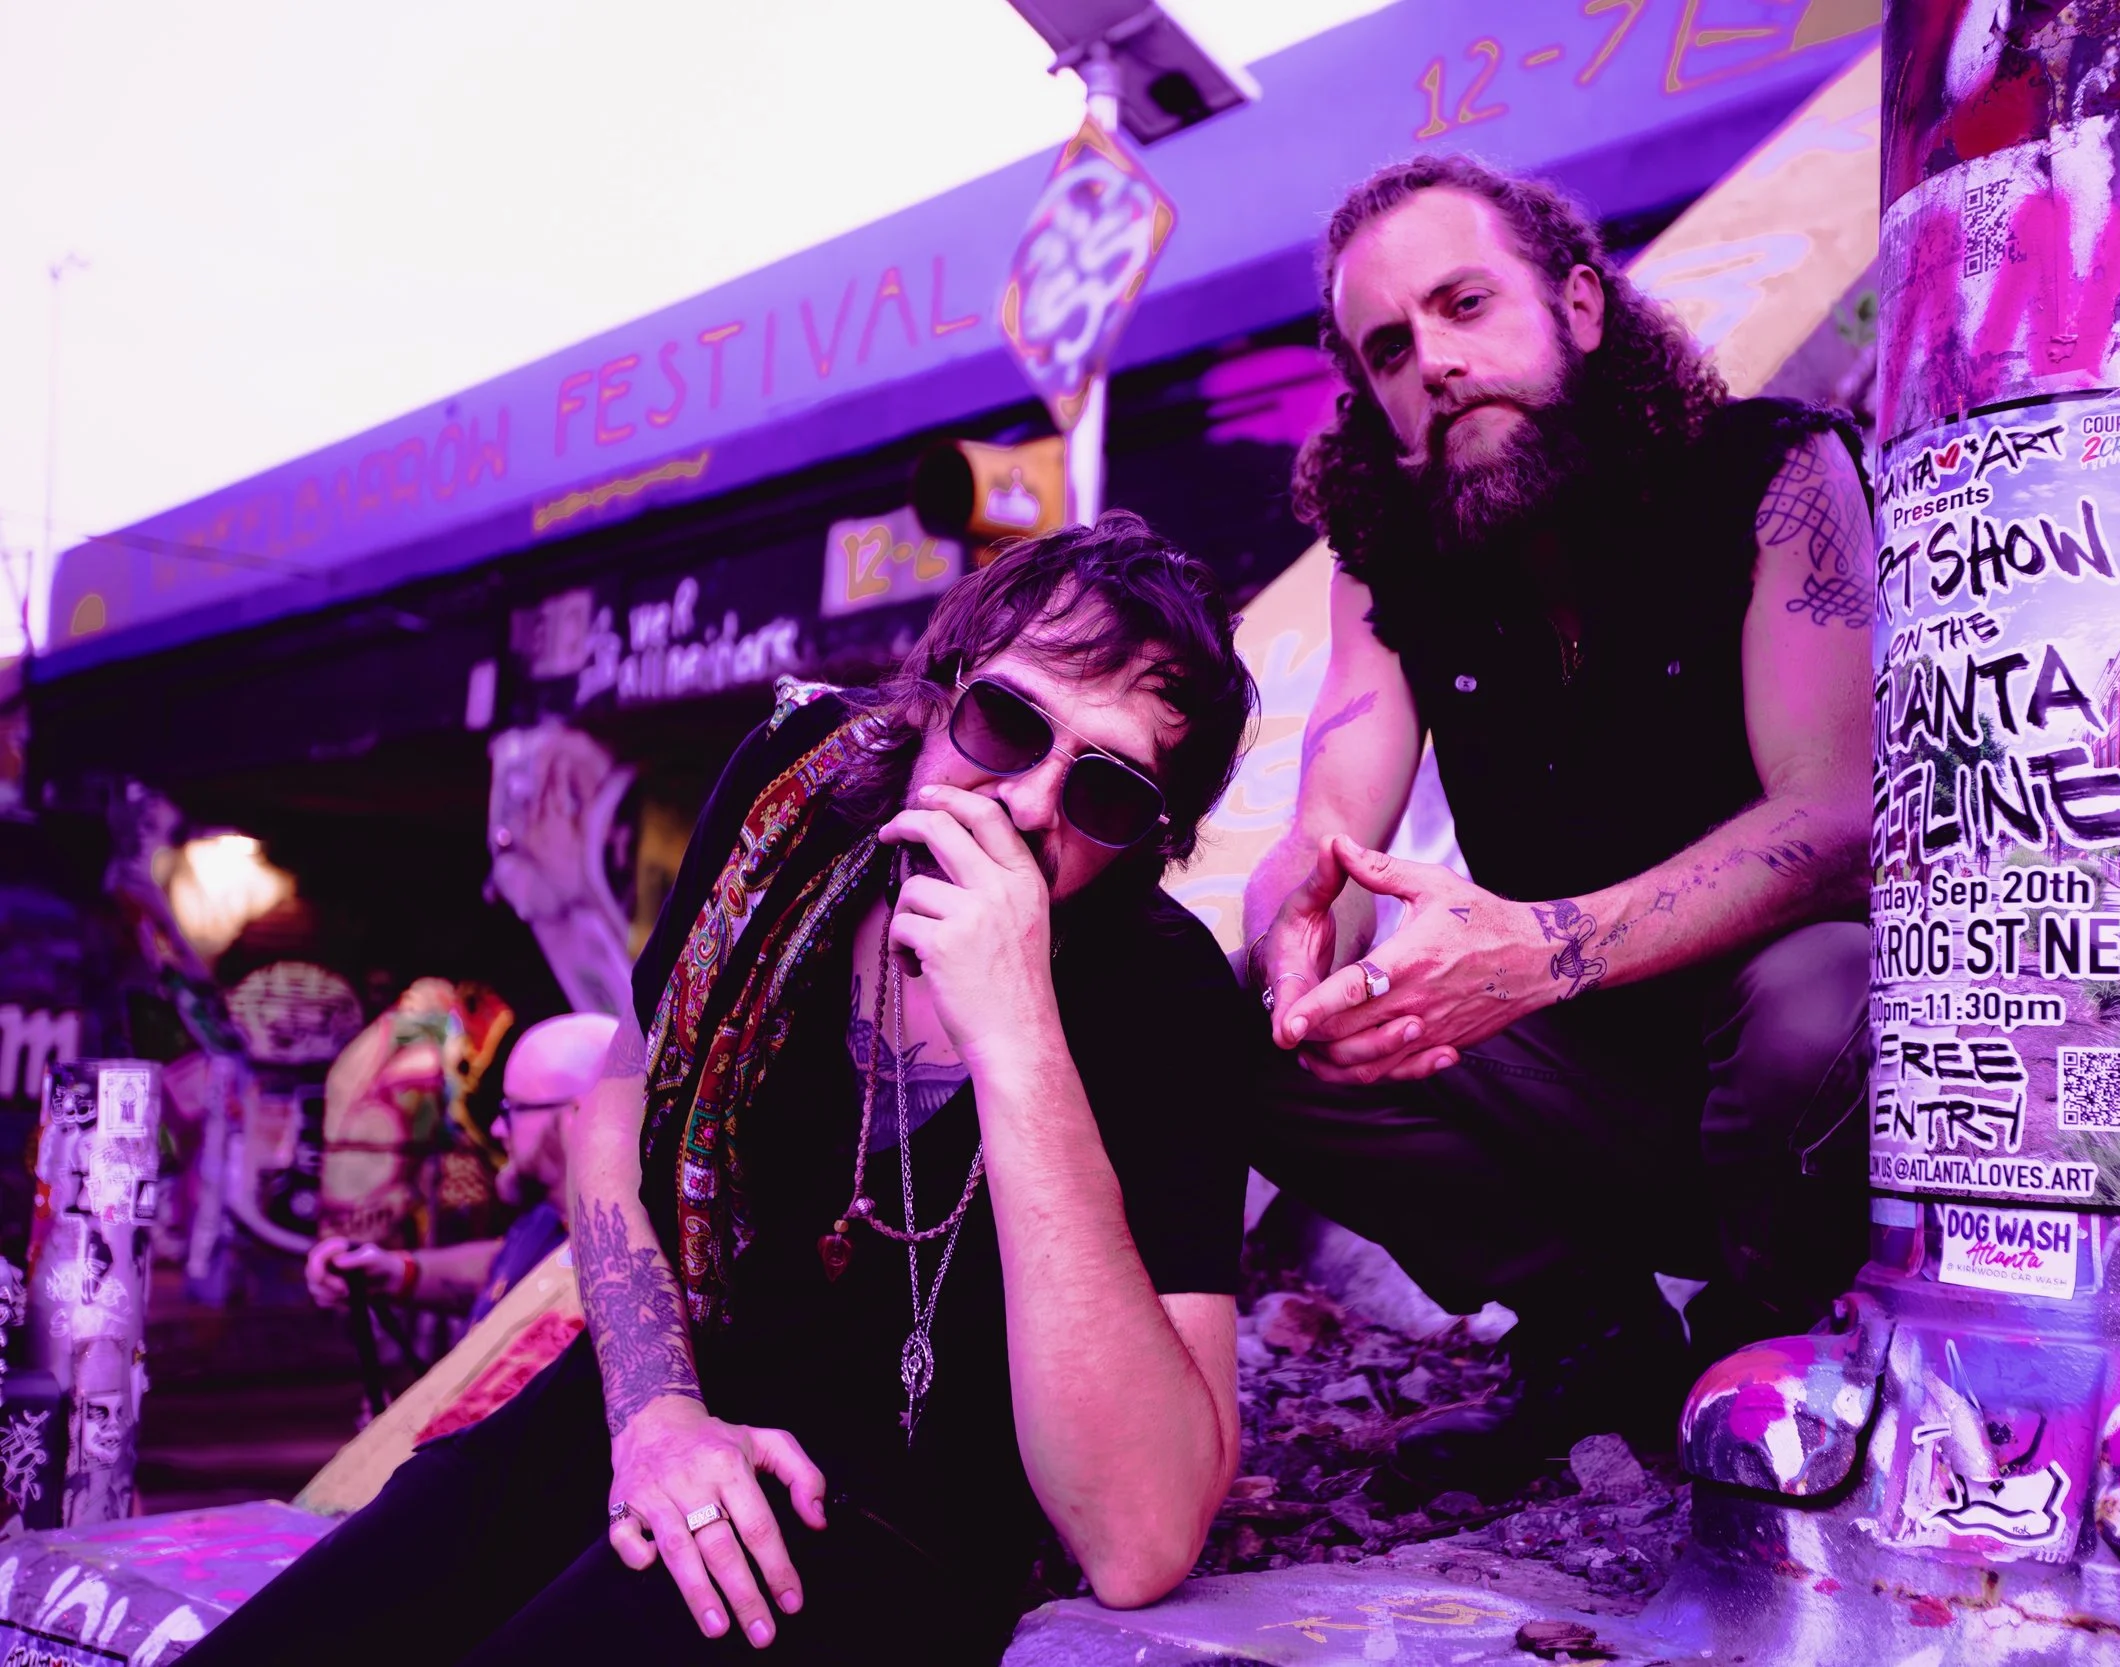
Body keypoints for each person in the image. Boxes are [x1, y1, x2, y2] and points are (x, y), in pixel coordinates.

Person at [188, 515, 1259, 1664]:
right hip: (650, 1411)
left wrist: (1021, 1033)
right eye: (1005, 721)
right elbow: (619, 1100)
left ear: (1148, 839)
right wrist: (653, 1412)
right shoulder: (790, 799)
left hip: (880, 1532)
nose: (1033, 803)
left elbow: (1143, 1534)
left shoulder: (1163, 999)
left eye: (1104, 792)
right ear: (935, 698)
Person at [1243, 155, 1877, 1489]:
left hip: (1785, 1104)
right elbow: (1337, 808)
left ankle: (1767, 1349)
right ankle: (1597, 1337)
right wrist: (1300, 932)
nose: (1438, 361)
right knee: (1246, 1028)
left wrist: (1546, 947)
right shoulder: (1394, 552)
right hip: (1578, 1090)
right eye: (1392, 346)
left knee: (1821, 989)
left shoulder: (1774, 473)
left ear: (1580, 307)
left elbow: (1833, 820)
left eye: (1467, 304)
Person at [305, 1011, 614, 1327]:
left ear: (581, 1115)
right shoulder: (554, 1220)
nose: (496, 1129)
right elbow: (508, 1263)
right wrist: (396, 1272)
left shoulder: (620, 1271)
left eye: (513, 1109)